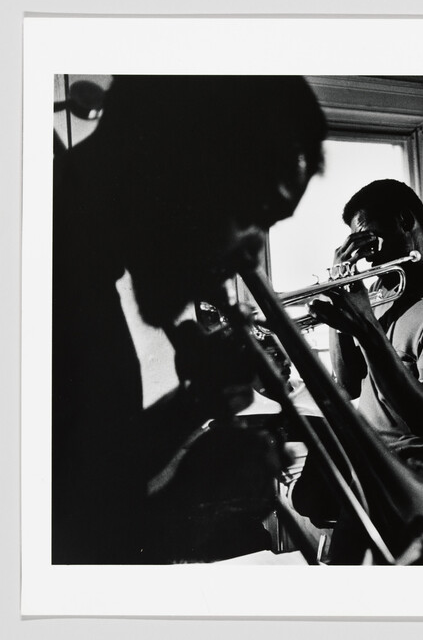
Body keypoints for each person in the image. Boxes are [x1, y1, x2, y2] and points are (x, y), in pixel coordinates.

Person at [52, 75, 327, 564]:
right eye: (254, 213)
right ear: (184, 166)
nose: (253, 248)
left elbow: (83, 478)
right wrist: (193, 501)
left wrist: (193, 401)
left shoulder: (80, 268)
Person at [306, 179, 423, 564]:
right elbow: (349, 382)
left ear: (406, 221)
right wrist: (342, 304)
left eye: (371, 240)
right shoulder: (385, 289)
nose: (367, 256)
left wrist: (366, 326)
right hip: (374, 477)